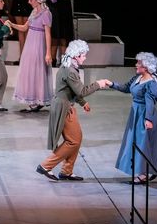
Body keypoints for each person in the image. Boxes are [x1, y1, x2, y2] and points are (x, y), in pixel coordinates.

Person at [36, 40, 110, 181]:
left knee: (76, 138)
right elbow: (81, 90)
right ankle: (46, 165)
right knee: (73, 141)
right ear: (76, 55)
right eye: (84, 55)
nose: (85, 58)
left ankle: (66, 171)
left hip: (67, 105)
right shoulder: (70, 71)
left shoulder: (69, 66)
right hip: (64, 108)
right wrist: (98, 84)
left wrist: (83, 102)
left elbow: (73, 90)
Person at [107, 52, 157, 184]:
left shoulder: (151, 83)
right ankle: (155, 166)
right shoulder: (137, 78)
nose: (136, 65)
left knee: (143, 144)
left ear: (146, 67)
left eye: (139, 63)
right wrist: (111, 84)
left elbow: (150, 102)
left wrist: (148, 119)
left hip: (144, 115)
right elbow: (126, 88)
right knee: (136, 142)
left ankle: (143, 174)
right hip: (135, 114)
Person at [9, 0, 53, 113]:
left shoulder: (46, 13)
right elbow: (24, 28)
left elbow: (48, 34)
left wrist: (48, 53)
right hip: (29, 44)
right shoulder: (34, 12)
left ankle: (37, 100)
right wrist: (11, 24)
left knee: (37, 71)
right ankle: (32, 101)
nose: (29, 2)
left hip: (38, 45)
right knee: (29, 71)